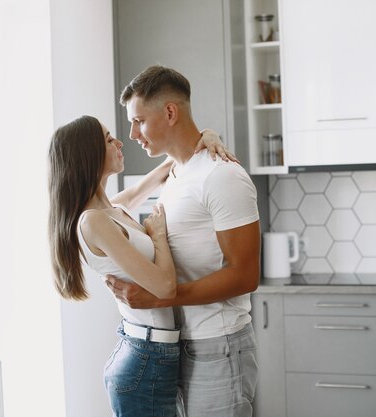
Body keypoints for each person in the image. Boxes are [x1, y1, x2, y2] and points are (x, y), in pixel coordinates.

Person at [47, 115, 234, 416]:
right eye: (109, 139)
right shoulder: (92, 221)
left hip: (154, 352)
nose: (120, 142)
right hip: (146, 359)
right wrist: (158, 236)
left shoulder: (113, 209)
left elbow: (162, 173)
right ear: (88, 155)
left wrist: (205, 136)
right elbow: (165, 287)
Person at [106, 65, 262, 417]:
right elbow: (104, 212)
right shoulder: (175, 173)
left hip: (218, 346)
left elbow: (245, 276)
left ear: (170, 112)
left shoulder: (222, 176)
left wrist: (161, 295)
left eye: (139, 121)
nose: (131, 133)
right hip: (178, 345)